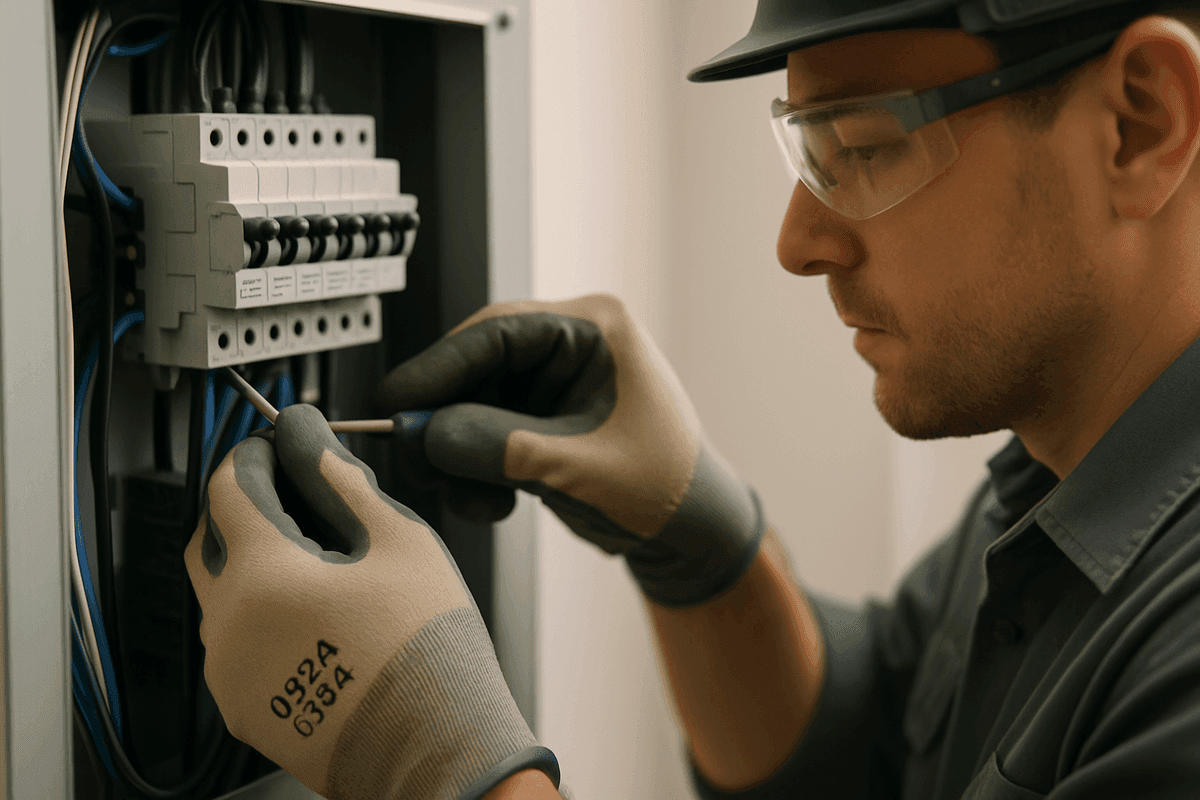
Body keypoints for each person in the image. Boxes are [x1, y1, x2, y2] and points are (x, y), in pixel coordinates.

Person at [185, 0, 1200, 797]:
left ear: (1141, 124)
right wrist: (704, 556)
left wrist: (443, 765)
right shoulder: (1055, 470)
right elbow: (862, 760)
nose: (798, 243)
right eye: (808, 145)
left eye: (865, 144)